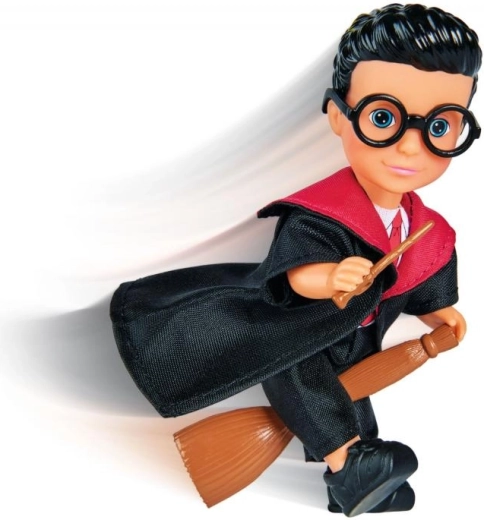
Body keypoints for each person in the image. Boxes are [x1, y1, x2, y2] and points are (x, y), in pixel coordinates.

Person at [110, 4, 481, 516]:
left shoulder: (425, 228)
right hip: (298, 334)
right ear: (339, 116)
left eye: (440, 127)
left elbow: (421, 280)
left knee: (354, 401)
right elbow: (292, 274)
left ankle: (355, 481)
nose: (410, 148)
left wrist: (441, 314)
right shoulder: (322, 213)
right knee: (304, 377)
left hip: (358, 347)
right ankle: (347, 465)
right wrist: (329, 276)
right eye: (383, 119)